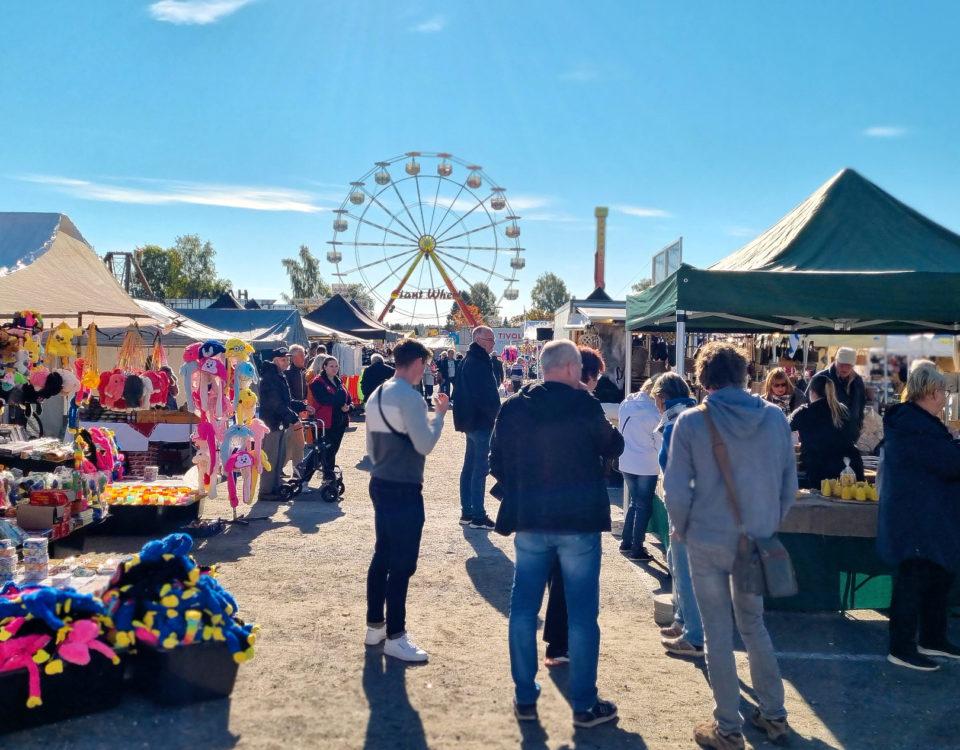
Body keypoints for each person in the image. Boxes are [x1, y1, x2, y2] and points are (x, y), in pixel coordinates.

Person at [664, 342, 796, 749]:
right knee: (754, 626)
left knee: (718, 635)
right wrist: (767, 523)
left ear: (703, 380)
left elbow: (675, 489)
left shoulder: (690, 422)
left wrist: (681, 529)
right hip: (754, 538)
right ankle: (774, 715)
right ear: (744, 374)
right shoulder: (775, 419)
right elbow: (788, 485)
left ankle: (728, 729)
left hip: (706, 540)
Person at [490, 339, 624, 728]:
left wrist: (519, 488)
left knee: (523, 608)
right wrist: (587, 396)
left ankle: (525, 697)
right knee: (582, 615)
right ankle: (583, 704)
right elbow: (613, 445)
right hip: (578, 521)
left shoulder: (514, 406)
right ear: (570, 368)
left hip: (531, 518)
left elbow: (495, 459)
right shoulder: (584, 405)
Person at [364, 339, 449, 662]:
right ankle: (396, 635)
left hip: (381, 480)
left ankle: (376, 625)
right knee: (403, 562)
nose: (424, 371)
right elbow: (425, 444)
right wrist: (439, 416)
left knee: (382, 554)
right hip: (404, 485)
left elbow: (371, 447)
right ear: (416, 363)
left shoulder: (378, 393)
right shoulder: (410, 398)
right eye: (424, 365)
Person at [878, 361, 960, 672]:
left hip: (930, 516)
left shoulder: (919, 423)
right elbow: (948, 463)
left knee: (939, 576)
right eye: (942, 390)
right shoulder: (914, 425)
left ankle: (933, 637)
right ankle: (901, 647)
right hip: (916, 518)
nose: (944, 396)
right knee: (914, 580)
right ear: (930, 391)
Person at [542, 346, 606, 667]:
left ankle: (556, 643)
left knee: (555, 575)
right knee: (575, 581)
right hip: (576, 506)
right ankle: (563, 646)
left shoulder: (536, 399)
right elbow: (611, 444)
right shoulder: (584, 405)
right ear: (585, 375)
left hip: (543, 503)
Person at [653, 373, 704, 659]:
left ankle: (694, 636)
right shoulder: (696, 416)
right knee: (676, 561)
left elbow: (675, 473)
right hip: (700, 502)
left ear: (662, 398)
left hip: (685, 505)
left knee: (684, 569)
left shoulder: (675, 424)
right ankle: (683, 621)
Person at [453, 327, 501, 530]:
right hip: (480, 422)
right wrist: (499, 416)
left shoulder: (468, 359)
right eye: (490, 339)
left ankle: (468, 512)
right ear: (479, 340)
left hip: (470, 421)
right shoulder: (479, 362)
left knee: (470, 467)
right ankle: (478, 516)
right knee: (479, 469)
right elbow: (485, 395)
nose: (493, 343)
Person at [789, 375, 864, 488]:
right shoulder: (843, 410)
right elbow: (854, 434)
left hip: (819, 472)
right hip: (849, 468)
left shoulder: (805, 412)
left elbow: (783, 428)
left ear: (812, 392)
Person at [617, 375, 662, 560]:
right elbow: (659, 444)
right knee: (643, 506)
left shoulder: (626, 403)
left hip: (626, 460)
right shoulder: (654, 413)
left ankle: (626, 542)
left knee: (635, 502)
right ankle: (636, 547)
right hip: (646, 464)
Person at [257, 347, 306, 500]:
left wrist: (302, 406)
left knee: (279, 457)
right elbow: (276, 404)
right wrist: (293, 417)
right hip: (271, 423)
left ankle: (275, 487)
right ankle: (266, 492)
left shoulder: (279, 376)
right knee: (271, 458)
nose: (287, 362)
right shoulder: (271, 377)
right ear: (276, 360)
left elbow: (287, 401)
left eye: (287, 359)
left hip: (278, 423)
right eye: (284, 359)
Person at [310, 356, 352, 481]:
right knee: (321, 452)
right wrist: (341, 404)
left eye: (336, 366)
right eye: (331, 366)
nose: (334, 369)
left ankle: (328, 476)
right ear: (324, 367)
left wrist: (348, 407)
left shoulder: (339, 381)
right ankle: (304, 478)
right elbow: (324, 400)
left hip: (339, 422)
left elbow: (349, 400)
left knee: (332, 451)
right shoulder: (317, 382)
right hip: (325, 424)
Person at [816, 347, 866, 442]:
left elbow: (861, 406)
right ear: (835, 361)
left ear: (853, 365)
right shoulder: (820, 379)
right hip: (826, 439)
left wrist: (858, 427)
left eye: (848, 365)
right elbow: (807, 407)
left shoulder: (858, 380)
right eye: (841, 364)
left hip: (850, 438)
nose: (844, 368)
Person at [284, 345, 310, 471]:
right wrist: (300, 406)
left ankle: (295, 470)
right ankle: (284, 469)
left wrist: (304, 405)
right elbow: (288, 396)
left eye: (303, 355)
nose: (304, 358)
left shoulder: (303, 372)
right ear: (293, 358)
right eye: (301, 355)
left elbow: (304, 391)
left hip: (299, 412)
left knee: (296, 444)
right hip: (290, 414)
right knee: (291, 444)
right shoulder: (287, 373)